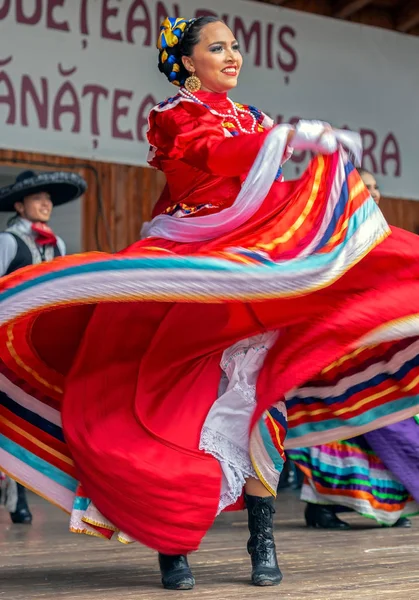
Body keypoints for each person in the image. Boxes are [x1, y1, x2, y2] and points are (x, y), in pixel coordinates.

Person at [1, 16, 419, 591]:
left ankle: (261, 540)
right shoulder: (174, 116)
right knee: (185, 407)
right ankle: (173, 546)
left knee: (260, 401)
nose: (232, 55)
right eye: (216, 47)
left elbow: (269, 194)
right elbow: (216, 156)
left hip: (247, 270)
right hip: (192, 270)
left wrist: (326, 179)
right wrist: (287, 139)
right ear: (188, 61)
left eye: (235, 46)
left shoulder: (251, 116)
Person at [287, 168, 419, 530]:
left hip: (374, 349)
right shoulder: (327, 238)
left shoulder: (385, 236)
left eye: (376, 187)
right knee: (339, 430)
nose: (373, 194)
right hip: (333, 347)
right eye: (366, 187)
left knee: (384, 421)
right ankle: (321, 507)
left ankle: (384, 505)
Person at [0, 169, 86, 524]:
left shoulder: (57, 245)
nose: (46, 204)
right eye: (38, 199)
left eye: (49, 199)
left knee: (31, 412)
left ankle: (23, 490)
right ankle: (15, 493)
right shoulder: (8, 240)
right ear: (20, 206)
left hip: (37, 345)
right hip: (5, 341)